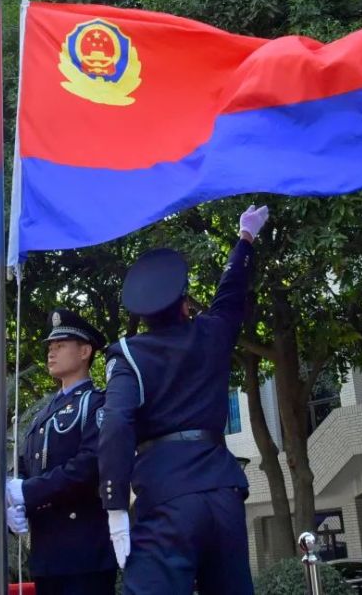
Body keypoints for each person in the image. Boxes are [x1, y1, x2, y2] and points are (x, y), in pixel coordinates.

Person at [97, 205, 269, 595]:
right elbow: (230, 294)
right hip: (222, 491)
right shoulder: (210, 334)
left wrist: (114, 502)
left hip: (166, 498)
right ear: (185, 304)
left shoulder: (129, 353)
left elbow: (117, 424)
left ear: (143, 315)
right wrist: (244, 239)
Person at [6, 309, 118, 595]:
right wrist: (13, 501)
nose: (51, 353)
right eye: (50, 347)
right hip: (47, 554)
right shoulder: (43, 413)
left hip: (84, 553)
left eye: (60, 346)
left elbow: (90, 465)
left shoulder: (96, 403)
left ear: (84, 351)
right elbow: (23, 465)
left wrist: (28, 492)